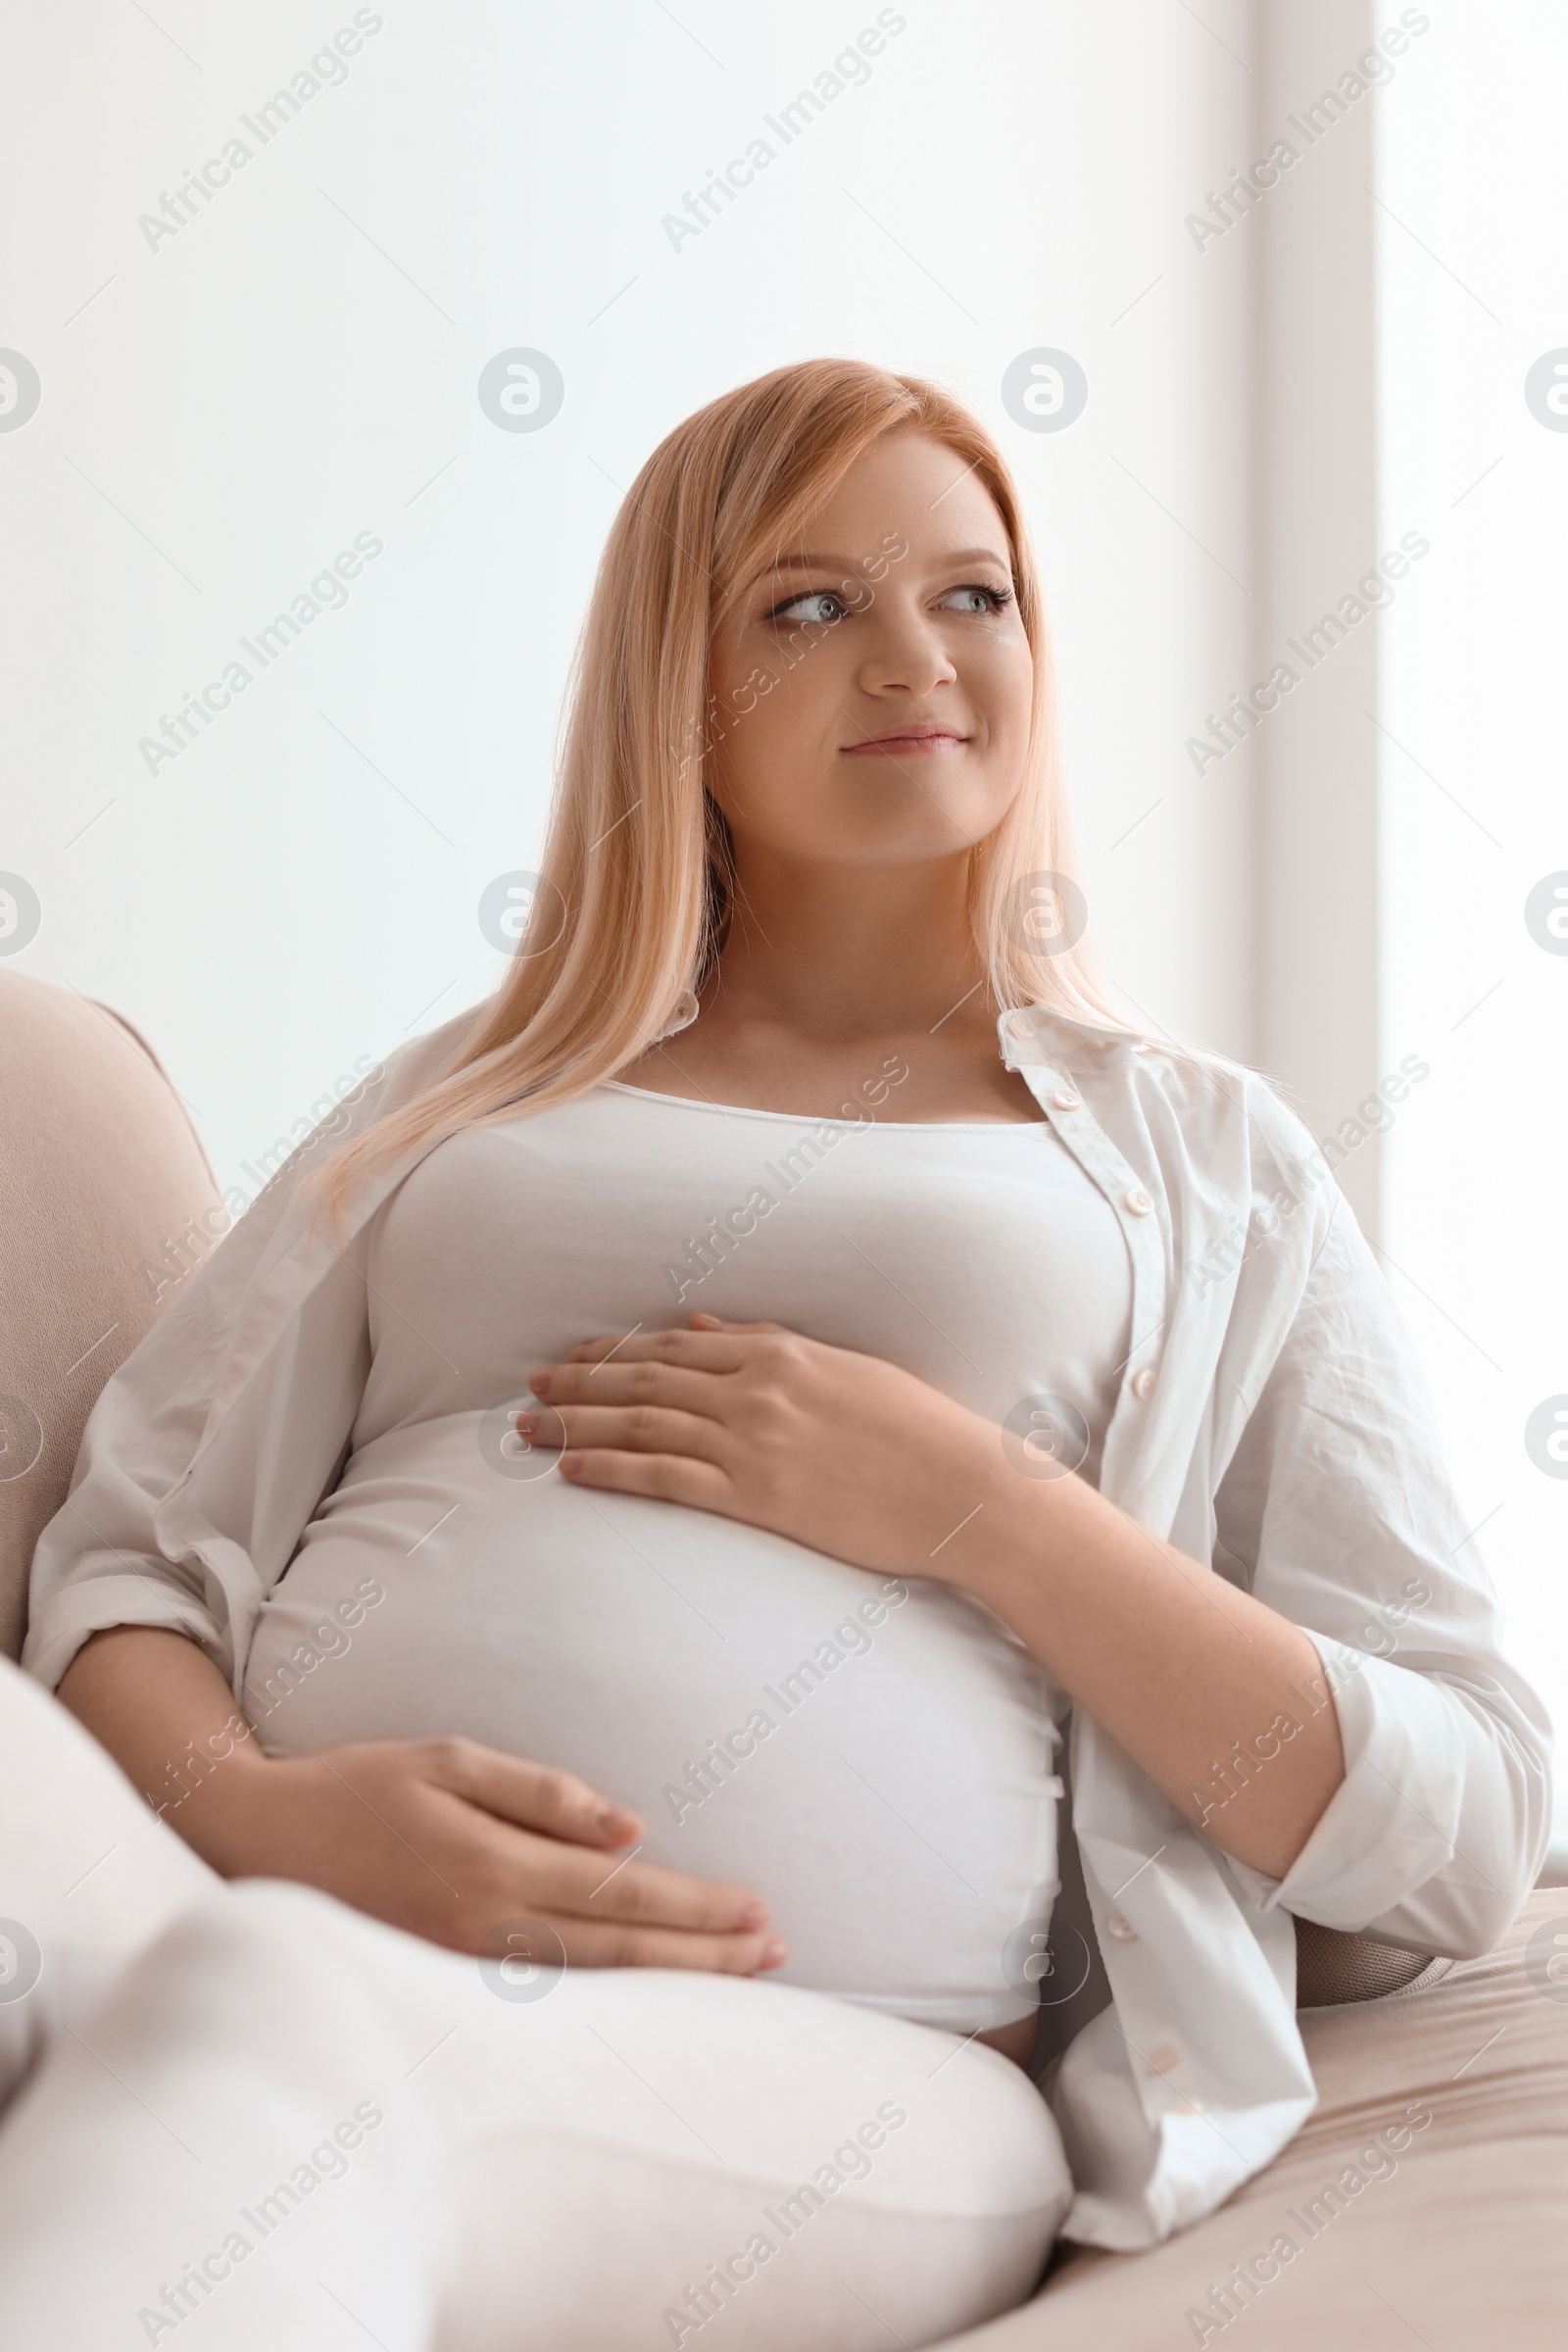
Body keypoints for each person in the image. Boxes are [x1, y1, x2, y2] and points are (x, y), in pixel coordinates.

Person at [24, 359, 1551, 2259]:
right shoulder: (470, 1095)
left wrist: (976, 1507)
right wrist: (261, 1815)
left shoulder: (1199, 1161)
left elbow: (1466, 1828)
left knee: (282, 2029)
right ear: (684, 689)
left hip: (850, 2071)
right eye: (808, 604)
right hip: (260, 1905)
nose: (913, 655)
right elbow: (125, 1570)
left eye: (969, 593)